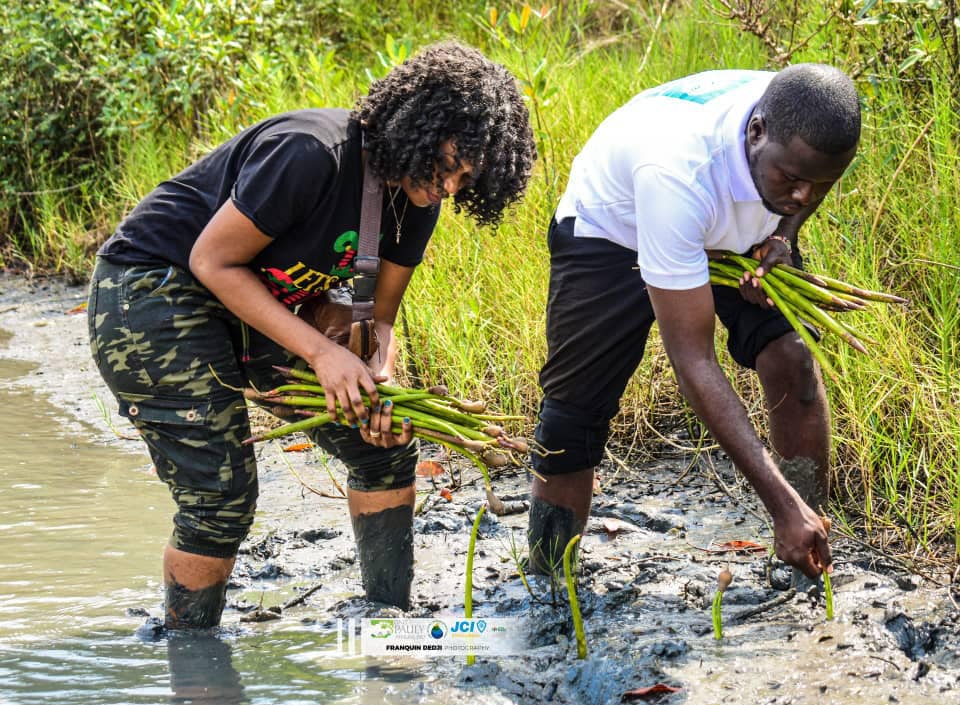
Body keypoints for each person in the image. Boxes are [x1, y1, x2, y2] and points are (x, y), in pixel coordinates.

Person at [88, 42, 536, 628]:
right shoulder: (311, 153)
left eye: (466, 178)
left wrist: (377, 379)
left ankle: (387, 628)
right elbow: (211, 261)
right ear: (418, 127)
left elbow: (377, 321)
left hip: (254, 304)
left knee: (383, 448)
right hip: (152, 291)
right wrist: (322, 352)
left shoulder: (417, 202)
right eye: (447, 163)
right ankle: (192, 657)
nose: (449, 185)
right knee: (220, 495)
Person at [527, 64, 860, 584]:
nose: (803, 197)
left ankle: (807, 549)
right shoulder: (677, 173)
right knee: (573, 417)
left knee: (792, 355)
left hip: (715, 224)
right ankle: (549, 583)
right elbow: (694, 362)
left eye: (821, 185)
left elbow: (807, 181)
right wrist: (777, 505)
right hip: (613, 232)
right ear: (756, 132)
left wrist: (784, 233)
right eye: (792, 181)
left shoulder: (805, 119)